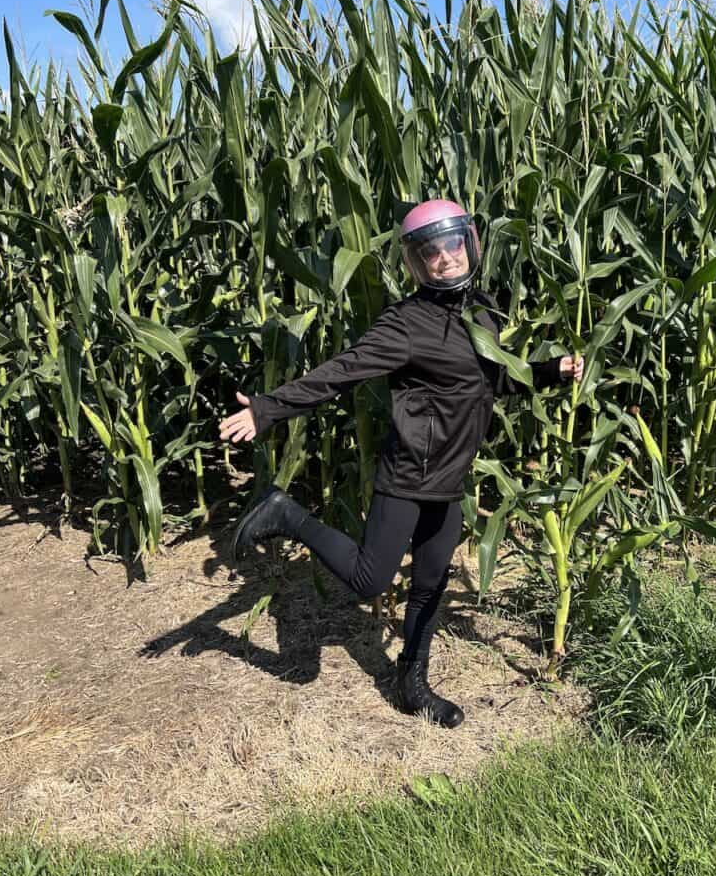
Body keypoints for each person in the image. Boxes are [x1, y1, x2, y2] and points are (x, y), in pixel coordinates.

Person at [219, 200, 584, 727]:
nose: (443, 259)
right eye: (429, 252)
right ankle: (285, 514)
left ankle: (412, 684)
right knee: (370, 580)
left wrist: (548, 372)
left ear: (471, 242)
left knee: (431, 584)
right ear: (416, 263)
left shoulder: (479, 309)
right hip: (411, 474)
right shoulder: (406, 324)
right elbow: (341, 372)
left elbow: (489, 379)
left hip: (451, 476)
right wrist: (268, 408)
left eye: (451, 245)